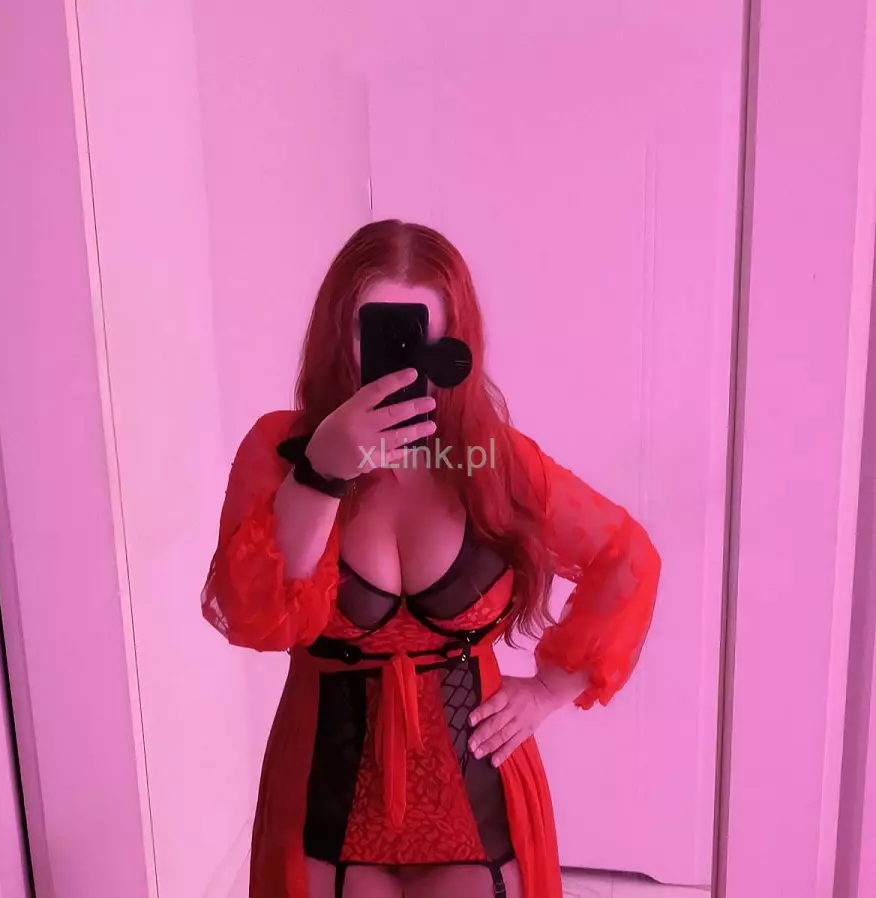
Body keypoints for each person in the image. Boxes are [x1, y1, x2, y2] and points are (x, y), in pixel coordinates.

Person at [201, 220, 662, 898]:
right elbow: (256, 617)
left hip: (478, 799)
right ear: (336, 334)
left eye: (419, 337)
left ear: (454, 344)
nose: (397, 361)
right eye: (374, 333)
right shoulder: (283, 450)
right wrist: (322, 472)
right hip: (323, 796)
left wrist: (547, 691)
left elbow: (626, 555)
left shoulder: (491, 459)